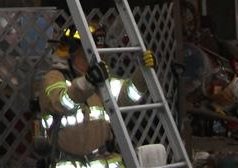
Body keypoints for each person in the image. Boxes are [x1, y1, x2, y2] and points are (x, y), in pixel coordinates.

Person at [32, 24, 156, 168]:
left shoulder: (101, 83)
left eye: (99, 52)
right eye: (89, 52)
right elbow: (61, 104)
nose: (97, 57)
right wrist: (88, 82)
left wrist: (143, 73)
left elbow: (129, 96)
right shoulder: (54, 78)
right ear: (73, 52)